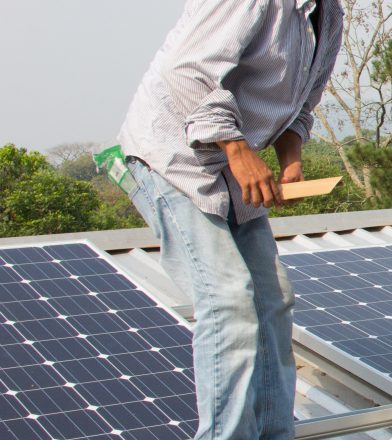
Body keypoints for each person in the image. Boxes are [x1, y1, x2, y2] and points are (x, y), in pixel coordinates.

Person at [116, 0, 342, 438]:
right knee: (228, 300)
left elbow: (303, 101)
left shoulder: (329, 14)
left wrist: (289, 158)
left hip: (234, 163)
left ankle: (275, 432)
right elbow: (186, 71)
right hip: (175, 157)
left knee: (272, 298)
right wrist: (238, 152)